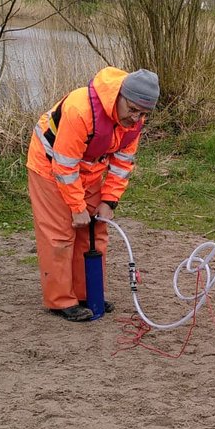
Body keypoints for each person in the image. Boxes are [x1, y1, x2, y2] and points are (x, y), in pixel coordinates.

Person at [27, 66, 159, 321]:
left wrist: (109, 201)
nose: (136, 117)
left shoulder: (134, 123)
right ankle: (61, 301)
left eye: (143, 113)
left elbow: (122, 164)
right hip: (49, 166)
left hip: (87, 169)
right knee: (60, 234)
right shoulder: (81, 109)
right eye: (132, 109)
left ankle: (89, 293)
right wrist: (77, 207)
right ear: (119, 95)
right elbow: (64, 166)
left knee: (96, 231)